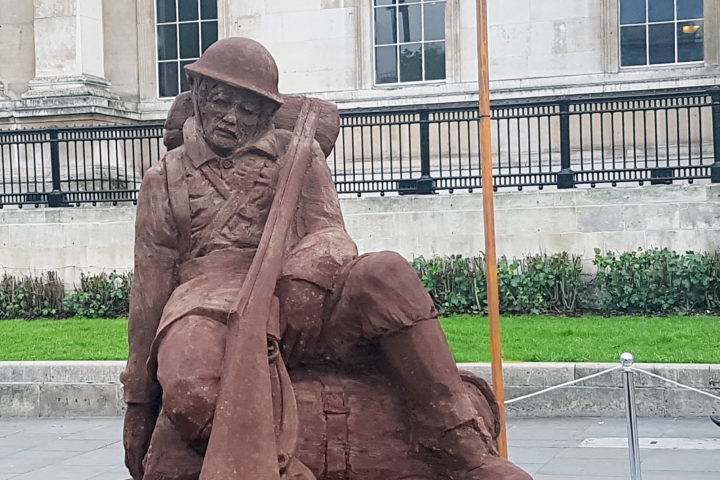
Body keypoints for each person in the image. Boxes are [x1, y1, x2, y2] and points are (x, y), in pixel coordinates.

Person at [121, 37, 530, 480]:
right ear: (198, 95)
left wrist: (305, 281)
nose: (231, 118)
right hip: (208, 306)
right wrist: (140, 403)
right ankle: (281, 465)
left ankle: (465, 451)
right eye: (220, 102)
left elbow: (330, 231)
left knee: (385, 273)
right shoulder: (164, 178)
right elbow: (150, 292)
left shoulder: (298, 154)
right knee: (188, 381)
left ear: (266, 113)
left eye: (248, 110)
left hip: (301, 300)